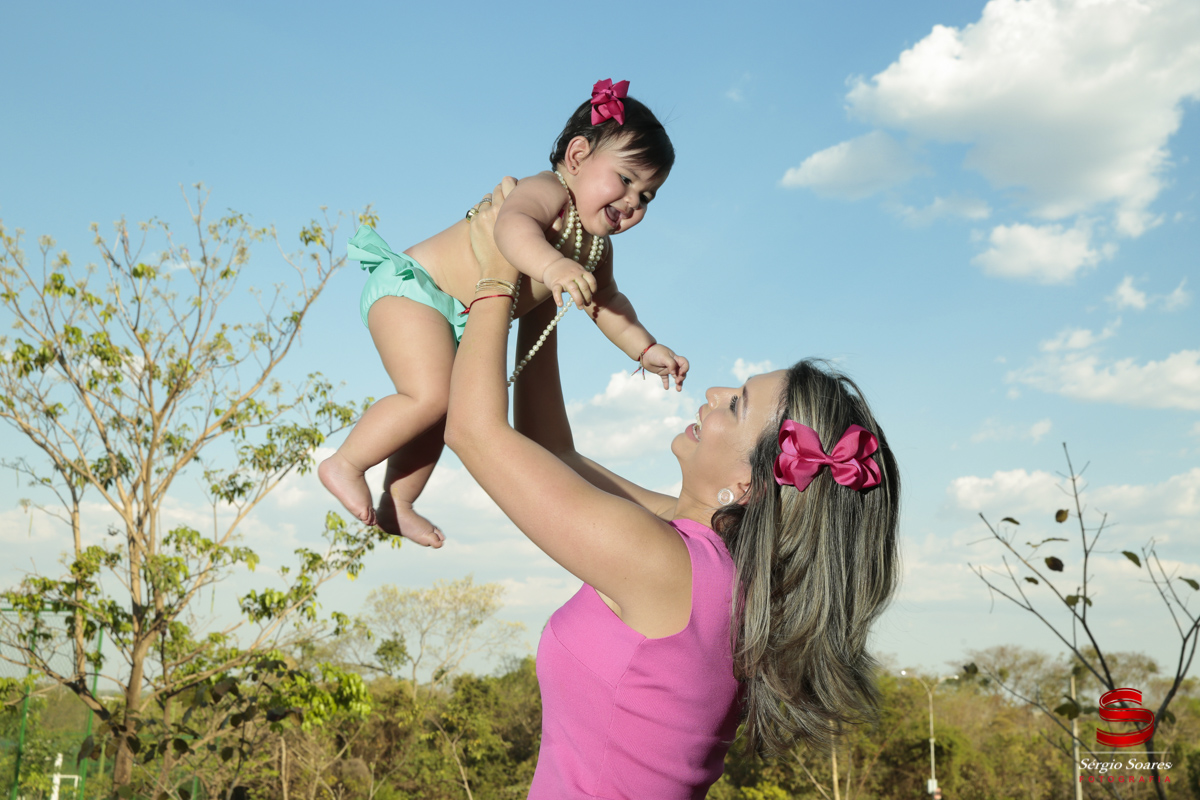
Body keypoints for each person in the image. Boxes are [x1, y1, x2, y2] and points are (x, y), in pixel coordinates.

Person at [446, 180, 901, 799]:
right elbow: (551, 454)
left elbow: (473, 432)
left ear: (747, 484)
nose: (712, 395)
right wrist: (542, 303)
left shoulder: (666, 566)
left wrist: (497, 273)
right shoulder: (723, 570)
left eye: (736, 405)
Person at [318, 80, 689, 547]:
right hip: (416, 289)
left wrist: (646, 347)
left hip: (454, 315)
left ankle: (399, 503)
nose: (634, 201)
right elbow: (510, 230)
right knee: (429, 395)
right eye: (627, 179)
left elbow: (608, 302)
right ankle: (346, 462)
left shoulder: (596, 247)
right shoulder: (546, 190)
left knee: (441, 407)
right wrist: (552, 264)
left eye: (648, 196)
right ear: (577, 157)